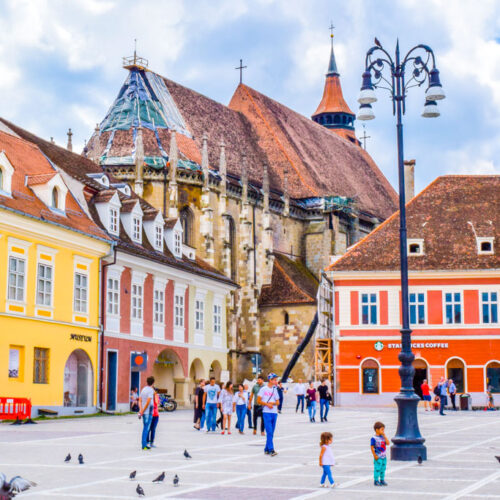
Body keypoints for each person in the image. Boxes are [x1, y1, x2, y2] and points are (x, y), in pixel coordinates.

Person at [257, 373, 280, 456]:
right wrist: (267, 404)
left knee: (271, 432)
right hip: (266, 412)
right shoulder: (263, 389)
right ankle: (271, 449)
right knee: (269, 431)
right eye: (275, 380)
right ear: (270, 380)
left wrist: (272, 403)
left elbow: (278, 402)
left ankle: (266, 448)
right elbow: (258, 400)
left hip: (274, 413)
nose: (276, 381)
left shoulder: (275, 389)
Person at [138, 376, 155, 450]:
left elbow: (140, 400)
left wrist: (141, 409)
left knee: (145, 427)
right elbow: (148, 401)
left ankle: (144, 444)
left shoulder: (143, 389)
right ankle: (144, 445)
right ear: (153, 383)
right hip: (148, 412)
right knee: (146, 428)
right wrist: (144, 409)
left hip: (144, 412)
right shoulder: (151, 390)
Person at [371, 421, 388, 486]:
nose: (383, 431)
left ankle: (382, 479)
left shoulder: (383, 437)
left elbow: (388, 443)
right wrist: (374, 455)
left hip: (384, 456)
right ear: (377, 430)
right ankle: (376, 480)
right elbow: (372, 447)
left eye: (383, 430)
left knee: (383, 468)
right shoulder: (373, 438)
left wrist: (385, 436)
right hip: (378, 456)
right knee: (377, 468)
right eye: (382, 430)